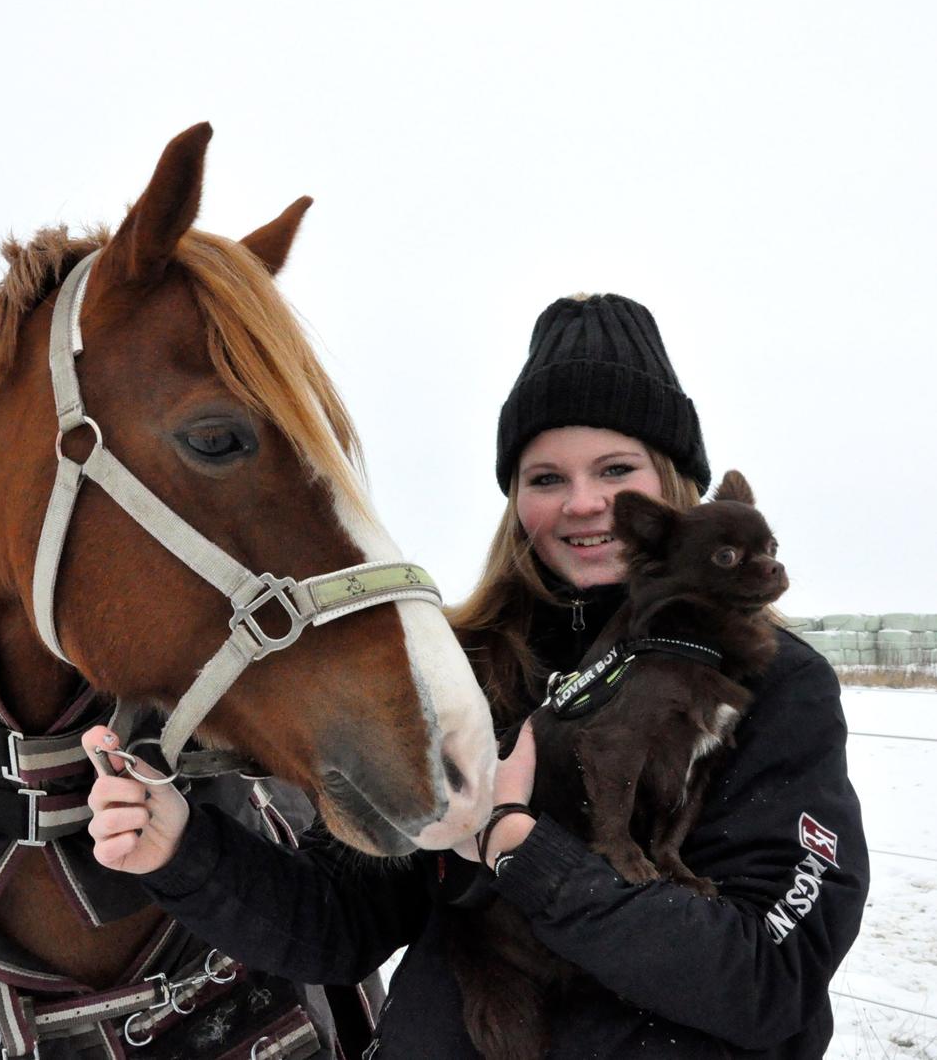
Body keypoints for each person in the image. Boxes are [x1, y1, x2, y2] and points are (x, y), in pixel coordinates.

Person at [83, 293, 869, 1058]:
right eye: (546, 478)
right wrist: (182, 848)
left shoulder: (773, 684)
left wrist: (524, 853)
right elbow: (344, 918)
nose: (584, 503)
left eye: (617, 468)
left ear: (671, 485)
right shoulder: (469, 668)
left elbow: (771, 978)